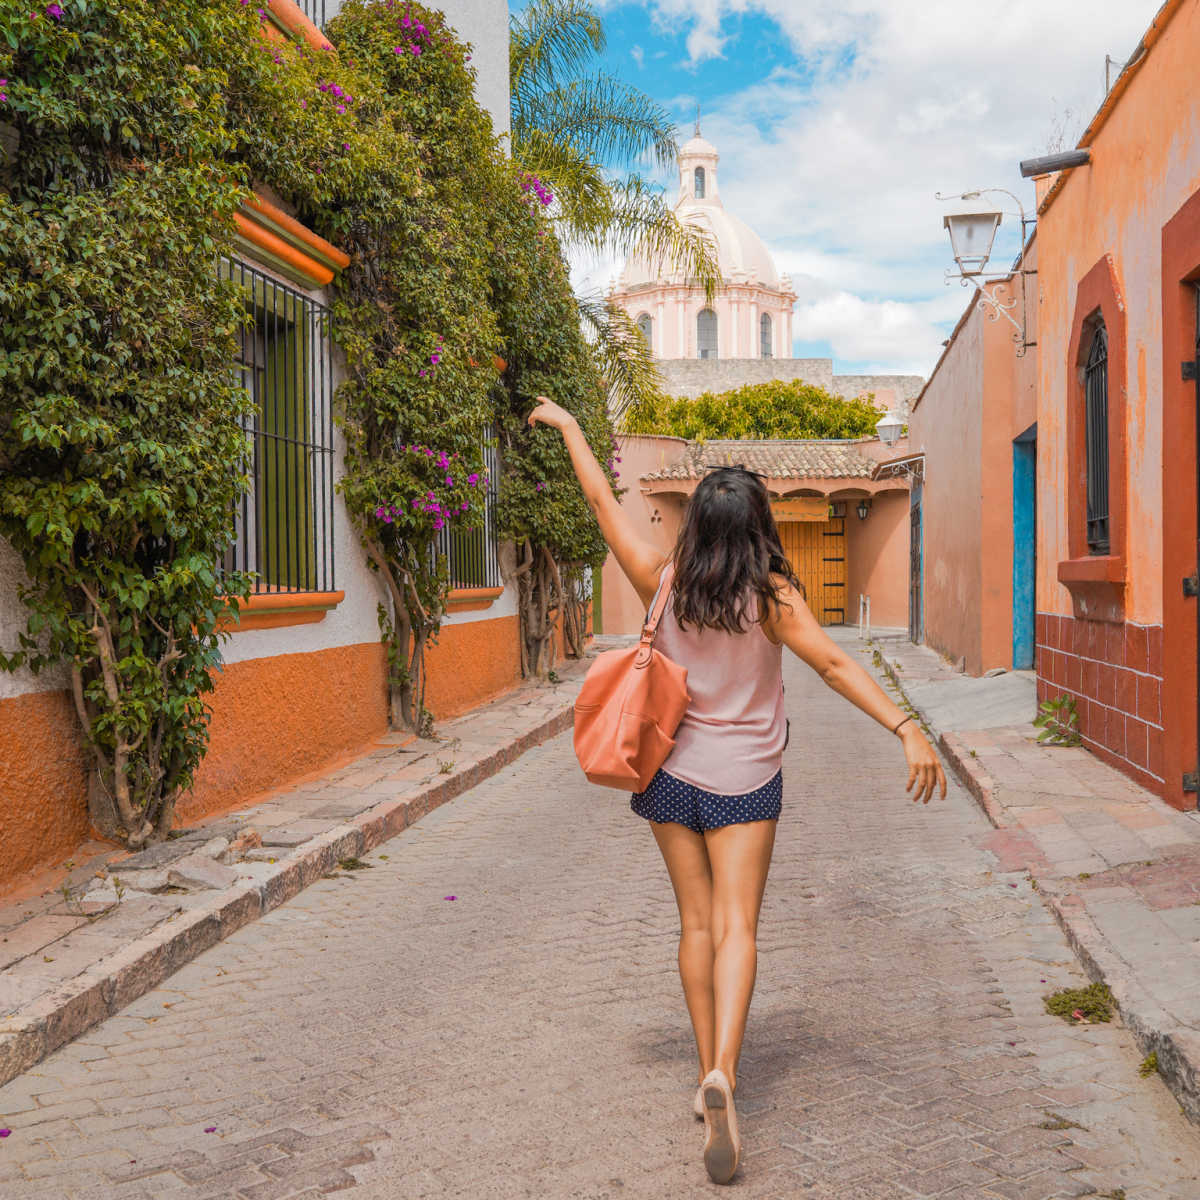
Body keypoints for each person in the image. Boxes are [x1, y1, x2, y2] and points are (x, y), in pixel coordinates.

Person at [528, 396, 947, 1185]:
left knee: (694, 925)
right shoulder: (774, 595)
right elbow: (831, 663)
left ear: (697, 524)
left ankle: (702, 1075)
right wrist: (904, 726)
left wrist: (571, 429)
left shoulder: (663, 577)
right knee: (738, 926)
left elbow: (598, 501)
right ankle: (726, 1067)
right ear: (759, 524)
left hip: (668, 775)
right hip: (747, 778)